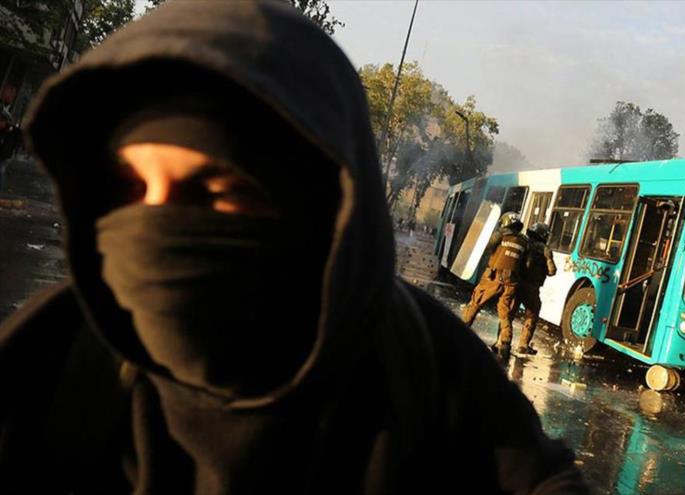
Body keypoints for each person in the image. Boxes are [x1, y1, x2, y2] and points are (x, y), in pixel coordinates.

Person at [0, 2, 589, 493]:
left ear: (315, 206)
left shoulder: (422, 364)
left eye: (215, 189)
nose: (158, 221)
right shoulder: (53, 353)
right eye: (129, 188)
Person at [461, 211, 529, 359]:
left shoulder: (499, 235)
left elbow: (487, 247)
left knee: (475, 303)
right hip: (511, 282)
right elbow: (526, 264)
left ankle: (461, 331)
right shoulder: (524, 242)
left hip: (493, 278)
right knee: (505, 314)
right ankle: (505, 344)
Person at [513, 222, 557, 355]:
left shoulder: (524, 243)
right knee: (531, 316)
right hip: (532, 288)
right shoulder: (545, 250)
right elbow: (552, 271)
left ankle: (502, 341)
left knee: (508, 314)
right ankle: (523, 345)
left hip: (517, 284)